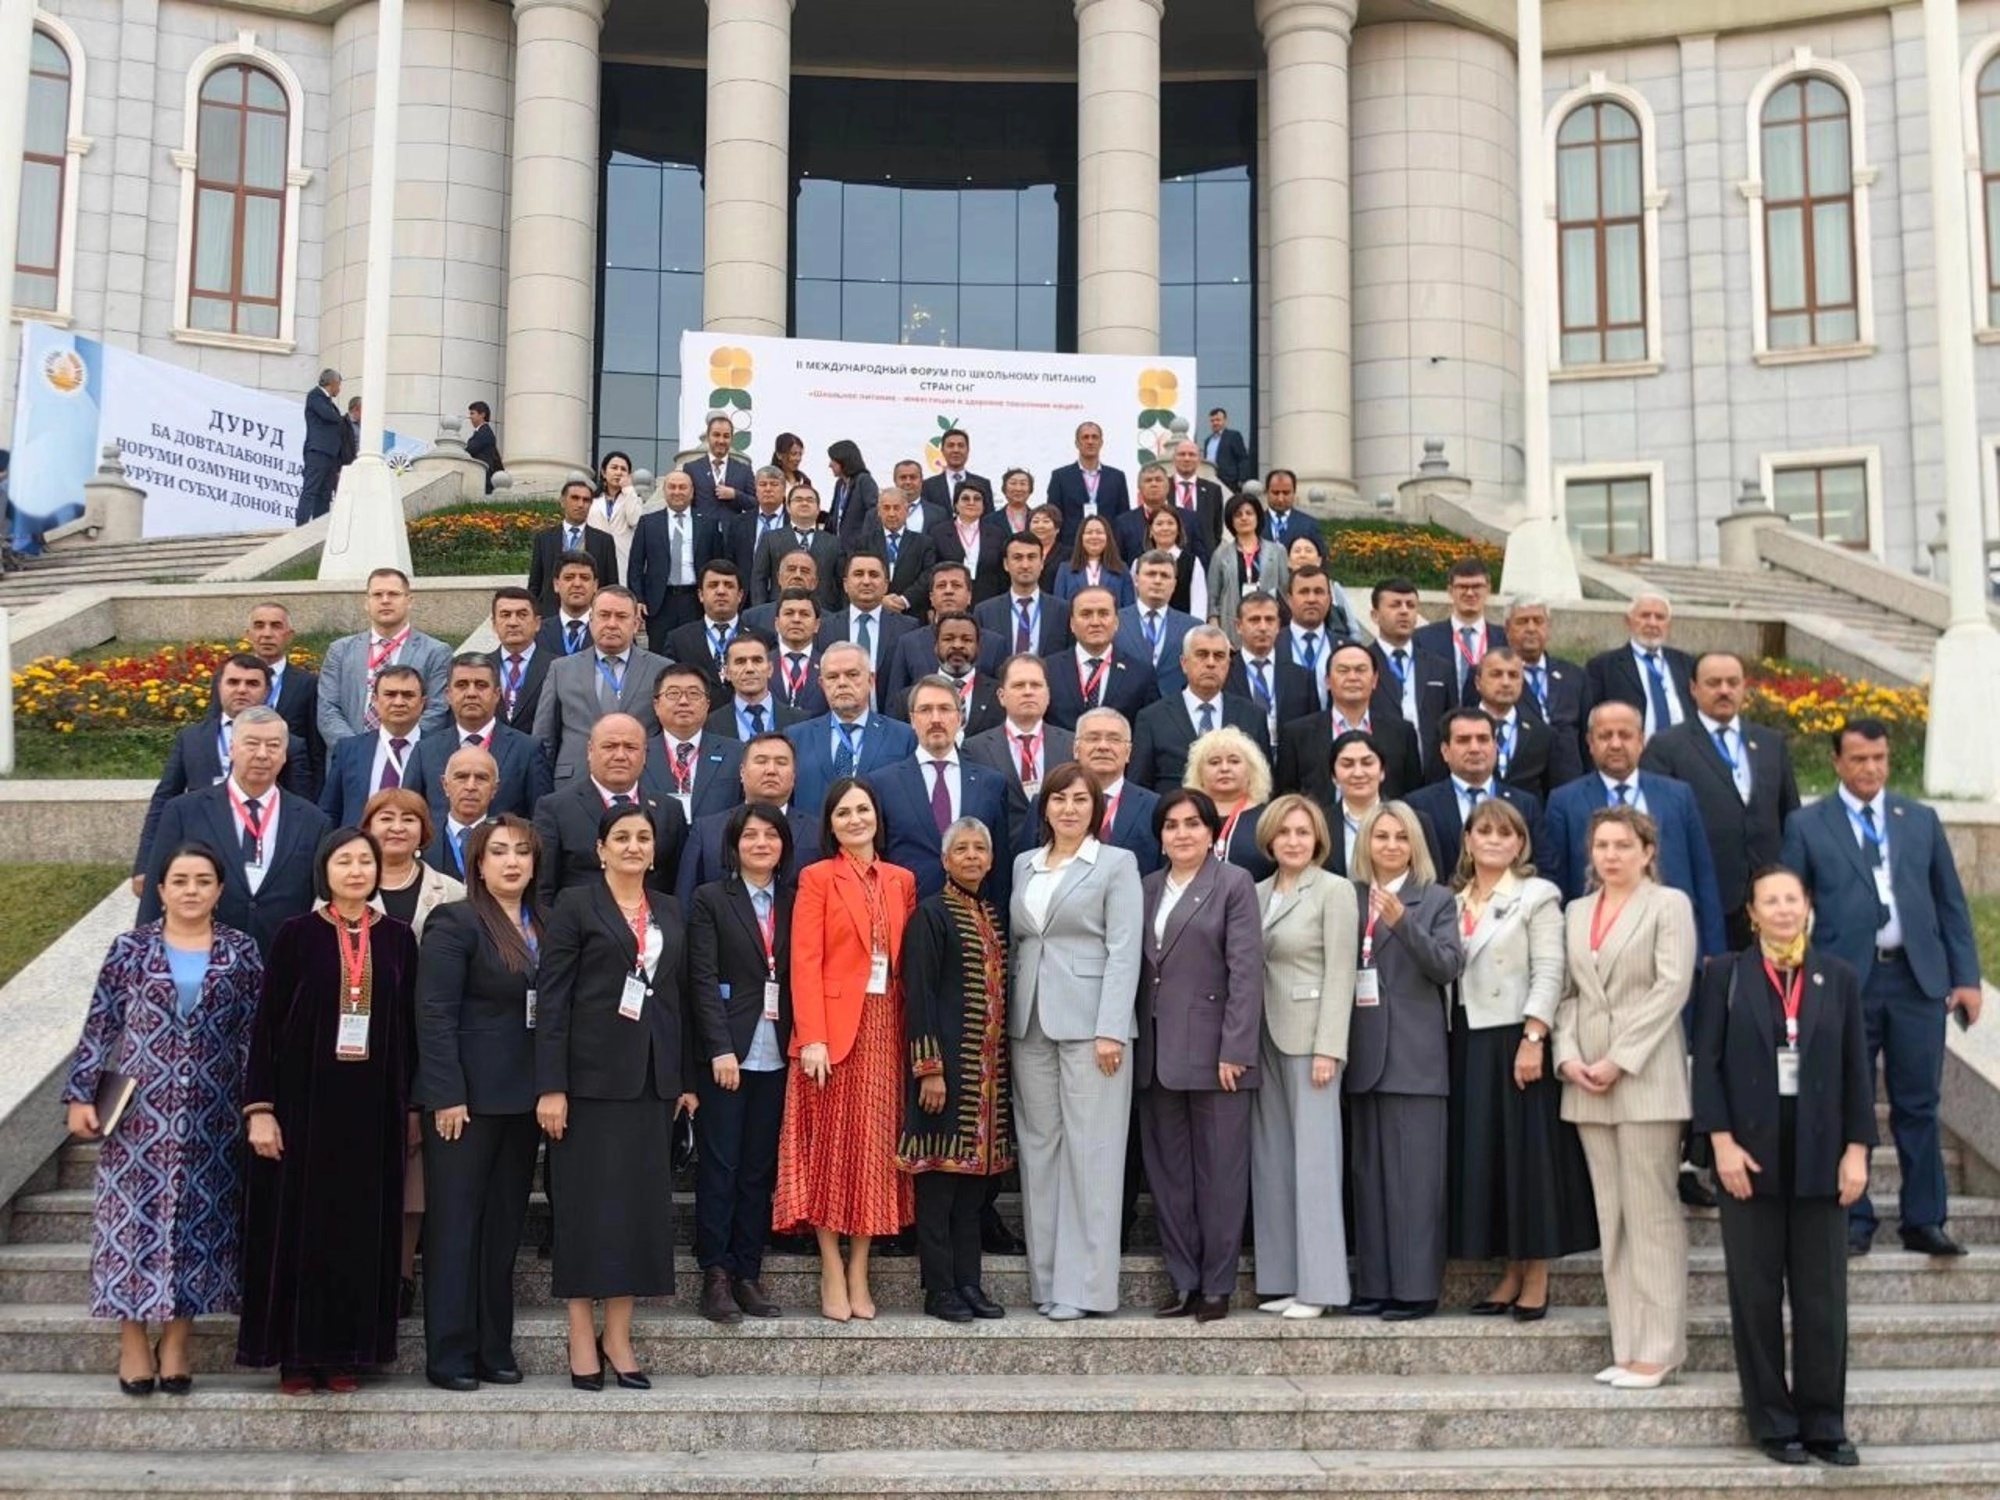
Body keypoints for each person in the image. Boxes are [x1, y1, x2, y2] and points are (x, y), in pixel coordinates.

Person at [63, 843, 264, 1396]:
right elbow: (100, 1025)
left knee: (201, 1224)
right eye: (180, 880)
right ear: (161, 890)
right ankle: (132, 1339)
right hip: (139, 1114)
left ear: (220, 891)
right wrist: (80, 1096)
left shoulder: (241, 951)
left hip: (213, 1115)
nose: (191, 890)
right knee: (131, 1224)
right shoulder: (130, 948)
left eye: (203, 880)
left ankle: (177, 1339)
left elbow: (256, 1033)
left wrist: (259, 1105)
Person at [1780, 717, 1982, 1258]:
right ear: (1837, 763)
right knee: (1848, 1098)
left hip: (1916, 981)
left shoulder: (1919, 820)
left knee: (1920, 1101)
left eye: (1879, 759)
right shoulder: (1808, 825)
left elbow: (1951, 904)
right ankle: (1854, 1217)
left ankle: (1925, 1219)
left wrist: (1965, 978)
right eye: (1859, 759)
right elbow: (1788, 904)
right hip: (1844, 982)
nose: (1871, 769)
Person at [1693, 866, 1873, 1467]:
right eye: (1769, 901)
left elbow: (1856, 1071)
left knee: (1823, 1298)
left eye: (1791, 899)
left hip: (1823, 1158)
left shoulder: (1838, 977)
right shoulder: (1725, 975)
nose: (1782, 909)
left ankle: (1824, 1423)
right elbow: (1707, 1066)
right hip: (1748, 1157)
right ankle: (1773, 1422)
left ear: (1808, 906)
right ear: (1751, 913)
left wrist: (1857, 1150)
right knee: (1756, 1294)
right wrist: (1720, 1144)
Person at [237, 828, 421, 1393]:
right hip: (303, 1108)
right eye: (344, 861)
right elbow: (267, 1027)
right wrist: (261, 1109)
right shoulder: (295, 935)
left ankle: (347, 1353)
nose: (356, 870)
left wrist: (413, 1106)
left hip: (373, 1111)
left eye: (365, 861)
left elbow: (411, 1030)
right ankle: (296, 1355)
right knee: (301, 1229)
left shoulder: (398, 938)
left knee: (359, 1231)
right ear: (325, 870)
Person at [535, 803, 693, 1390]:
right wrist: (551, 1085)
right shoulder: (575, 906)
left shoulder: (669, 909)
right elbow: (553, 999)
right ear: (600, 850)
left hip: (651, 1084)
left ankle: (619, 1335)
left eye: (643, 837)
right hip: (587, 1085)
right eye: (621, 837)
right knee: (585, 1208)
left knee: (638, 1212)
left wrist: (684, 1080)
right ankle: (581, 1330)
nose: (633, 846)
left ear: (654, 850)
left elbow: (677, 998)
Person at [1553, 806, 1697, 1389]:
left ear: (1647, 852)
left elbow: (1672, 987)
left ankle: (1660, 1350)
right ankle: (1628, 1344)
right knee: (1611, 1218)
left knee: (1651, 1216)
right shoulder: (1576, 911)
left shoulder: (1668, 905)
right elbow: (1566, 993)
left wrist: (1620, 1058)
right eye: (1602, 845)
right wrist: (1567, 1056)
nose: (1611, 855)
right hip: (1586, 1080)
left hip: (1644, 1078)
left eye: (1622, 845)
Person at [774, 777, 919, 1321]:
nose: (855, 819)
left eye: (863, 810)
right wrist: (811, 1035)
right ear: (830, 825)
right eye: (844, 813)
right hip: (832, 1035)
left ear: (877, 816)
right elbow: (804, 960)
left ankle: (860, 1266)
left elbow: (904, 964)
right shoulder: (818, 877)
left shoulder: (902, 880)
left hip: (886, 1030)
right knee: (832, 1151)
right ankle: (831, 1265)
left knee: (874, 1154)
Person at [1447, 799, 1596, 1321]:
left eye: (1505, 833)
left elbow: (1551, 969)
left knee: (1526, 1160)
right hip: (1466, 1039)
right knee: (1492, 1158)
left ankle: (1536, 1275)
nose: (1493, 840)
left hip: (1516, 1037)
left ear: (1520, 844)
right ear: (1468, 840)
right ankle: (1510, 1271)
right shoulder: (1452, 900)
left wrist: (1535, 1035)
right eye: (1484, 831)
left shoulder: (1538, 895)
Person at [1009, 764, 1144, 1319]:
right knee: (1040, 1151)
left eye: (1080, 800)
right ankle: (1048, 1282)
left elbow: (1125, 949)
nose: (1069, 808)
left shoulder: (1116, 864)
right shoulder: (1024, 864)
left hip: (1093, 1028)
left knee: (1092, 1153)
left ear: (1096, 808)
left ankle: (1085, 1289)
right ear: (1045, 806)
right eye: (1059, 798)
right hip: (1030, 1023)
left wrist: (1112, 1027)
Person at [415, 817, 543, 1391]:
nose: (512, 861)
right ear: (479, 864)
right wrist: (446, 1093)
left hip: (523, 1100)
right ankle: (450, 1354)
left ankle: (494, 1347)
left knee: (502, 1229)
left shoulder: (546, 923)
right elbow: (434, 1013)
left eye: (522, 852)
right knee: (456, 1227)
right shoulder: (456, 920)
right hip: (464, 1103)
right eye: (499, 852)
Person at [1137, 788, 1264, 1322]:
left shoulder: (1234, 884)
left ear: (1211, 832)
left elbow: (1246, 972)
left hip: (1217, 1057)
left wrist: (1236, 1048)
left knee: (1221, 1177)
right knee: (1169, 1178)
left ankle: (1216, 1285)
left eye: (1192, 823)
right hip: (1156, 1054)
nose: (1182, 833)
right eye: (1171, 825)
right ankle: (1184, 1281)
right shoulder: (1146, 887)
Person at [1343, 802, 1465, 1321]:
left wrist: (1403, 923)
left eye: (1400, 837)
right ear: (1366, 843)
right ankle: (1375, 1284)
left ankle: (1416, 1289)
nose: (1390, 846)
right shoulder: (1348, 896)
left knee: (1414, 1182)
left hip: (1415, 1061)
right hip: (1362, 1056)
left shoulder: (1435, 900)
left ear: (1414, 845)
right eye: (1381, 836)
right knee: (1369, 1180)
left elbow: (1447, 965)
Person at [896, 817, 1014, 1323]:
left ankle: (969, 1282)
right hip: (944, 1078)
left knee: (971, 1195)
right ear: (945, 861)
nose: (971, 856)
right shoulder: (931, 914)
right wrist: (929, 1069)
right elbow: (919, 996)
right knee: (938, 1189)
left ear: (990, 859)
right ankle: (939, 1288)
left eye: (979, 848)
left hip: (986, 1083)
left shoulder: (992, 915)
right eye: (961, 849)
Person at [1249, 796, 1357, 1319]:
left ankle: (1320, 1288)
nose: (1293, 841)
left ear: (1318, 840)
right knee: (1272, 1160)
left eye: (1303, 832)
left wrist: (1329, 1048)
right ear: (1269, 838)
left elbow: (1341, 972)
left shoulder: (1334, 890)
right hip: (1263, 1038)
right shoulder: (1255, 892)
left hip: (1311, 1039)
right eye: (1285, 832)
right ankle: (1284, 1280)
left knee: (1315, 1163)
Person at [688, 803, 796, 1323]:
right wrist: (718, 1047)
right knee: (721, 1166)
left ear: (783, 845)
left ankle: (748, 1272)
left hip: (778, 1052)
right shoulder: (711, 898)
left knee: (758, 1169)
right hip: (728, 1054)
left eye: (770, 835)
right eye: (750, 835)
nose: (760, 844)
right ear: (734, 845)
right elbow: (702, 979)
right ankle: (716, 1274)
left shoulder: (797, 900)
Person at [1540, 702, 1727, 963]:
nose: (1616, 744)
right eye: (1605, 736)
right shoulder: (1564, 802)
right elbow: (1556, 883)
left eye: (1625, 735)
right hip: (1598, 952)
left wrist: (1713, 952)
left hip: (1674, 943)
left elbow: (1703, 874)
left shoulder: (1678, 795)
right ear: (1590, 743)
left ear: (1641, 740)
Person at [137, 708, 332, 957]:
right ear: (232, 748)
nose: (262, 754)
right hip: (203, 958)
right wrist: (144, 956)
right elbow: (155, 892)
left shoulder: (313, 821)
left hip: (282, 960)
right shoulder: (184, 811)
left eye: (273, 746)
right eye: (252, 744)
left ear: (284, 755)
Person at [1642, 652, 1801, 950]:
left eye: (1732, 682)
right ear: (1693, 688)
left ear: (1744, 687)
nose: (1724, 690)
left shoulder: (1770, 742)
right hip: (1708, 898)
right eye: (1714, 683)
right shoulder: (1667, 746)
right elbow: (1659, 827)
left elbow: (1790, 816)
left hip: (1768, 898)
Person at [134, 654, 314, 890]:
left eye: (252, 683)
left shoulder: (290, 744)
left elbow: (301, 808)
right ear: (219, 686)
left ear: (267, 692)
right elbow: (164, 798)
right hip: (199, 853)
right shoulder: (191, 739)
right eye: (233, 682)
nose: (242, 690)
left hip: (261, 854)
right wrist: (144, 865)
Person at [531, 714, 690, 905]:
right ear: (590, 751)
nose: (620, 756)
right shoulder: (555, 809)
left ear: (645, 755)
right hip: (580, 921)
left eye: (630, 747)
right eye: (609, 746)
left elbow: (679, 884)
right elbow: (543, 889)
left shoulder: (669, 810)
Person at [532, 588, 670, 785]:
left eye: (621, 616)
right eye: (604, 615)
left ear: (636, 624)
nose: (611, 624)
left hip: (642, 781)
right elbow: (544, 739)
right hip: (574, 782)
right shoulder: (561, 669)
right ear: (591, 620)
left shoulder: (661, 669)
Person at [1274, 643, 1425, 807]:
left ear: (1375, 680)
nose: (1352, 677)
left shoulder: (1401, 733)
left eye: (1360, 670)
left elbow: (1412, 796)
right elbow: (1285, 799)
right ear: (1328, 681)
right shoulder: (1297, 734)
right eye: (1343, 670)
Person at [1403, 707, 1547, 878]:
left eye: (1483, 739)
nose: (1474, 748)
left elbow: (1543, 866)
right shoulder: (1419, 804)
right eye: (1463, 740)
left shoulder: (1525, 804)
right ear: (1445, 751)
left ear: (1495, 747)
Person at [406, 654, 550, 823]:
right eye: (462, 685)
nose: (471, 693)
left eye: (481, 685)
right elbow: (409, 813)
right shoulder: (425, 750)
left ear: (497, 694)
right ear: (448, 695)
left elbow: (541, 819)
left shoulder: (527, 749)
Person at [783, 642, 919, 817]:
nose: (842, 683)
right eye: (832, 677)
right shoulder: (796, 737)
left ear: (871, 680)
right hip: (813, 833)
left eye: (852, 675)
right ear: (822, 684)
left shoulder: (904, 736)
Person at [317, 569, 453, 743]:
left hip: (410, 753)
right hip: (348, 753)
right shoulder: (340, 650)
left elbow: (437, 710)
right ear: (367, 602)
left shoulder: (436, 652)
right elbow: (328, 709)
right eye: (377, 595)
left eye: (393, 594)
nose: (385, 600)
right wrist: (355, 748)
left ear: (409, 601)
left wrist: (397, 746)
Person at [1130, 625, 1271, 794]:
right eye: (1202, 654)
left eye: (1219, 656)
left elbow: (1264, 783)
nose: (1210, 663)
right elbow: (1138, 789)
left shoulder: (1252, 716)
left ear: (1228, 665)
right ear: (1184, 663)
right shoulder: (1153, 718)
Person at [629, 472, 731, 648]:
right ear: (664, 491)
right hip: (659, 603)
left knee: (694, 652)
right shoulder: (648, 523)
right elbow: (635, 565)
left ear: (692, 492)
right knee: (659, 654)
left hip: (696, 601)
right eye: (672, 487)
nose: (677, 492)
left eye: (682, 487)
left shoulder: (709, 524)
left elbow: (718, 565)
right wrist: (638, 598)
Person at [319, 665, 430, 827]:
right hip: (358, 841)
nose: (398, 702)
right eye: (390, 694)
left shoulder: (439, 751)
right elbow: (330, 811)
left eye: (408, 695)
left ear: (422, 702)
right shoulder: (349, 749)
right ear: (375, 700)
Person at [1584, 593, 1696, 741]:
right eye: (1645, 616)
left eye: (1660, 617)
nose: (1652, 623)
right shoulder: (1603, 667)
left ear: (1669, 625)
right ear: (1628, 621)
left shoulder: (1686, 663)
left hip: (1683, 750)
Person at [1043, 586, 1158, 729]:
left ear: (1116, 622)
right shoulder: (1048, 670)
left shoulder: (1141, 673)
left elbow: (1150, 728)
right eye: (1086, 614)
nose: (1095, 622)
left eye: (1103, 614)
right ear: (1072, 624)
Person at [1076, 707, 1162, 876]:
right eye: (1093, 738)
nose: (1103, 746)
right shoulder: (1049, 801)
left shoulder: (1153, 806)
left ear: (1128, 752)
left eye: (1114, 739)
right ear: (1076, 749)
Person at [1185, 725, 1275, 880]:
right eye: (1214, 762)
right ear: (1199, 773)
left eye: (1234, 761)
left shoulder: (1270, 818)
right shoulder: (1185, 816)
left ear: (1252, 770)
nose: (1224, 768)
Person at [1207, 493, 1288, 643]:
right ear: (1231, 521)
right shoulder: (1220, 554)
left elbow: (1285, 592)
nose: (1244, 518)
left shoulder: (1277, 551)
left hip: (1268, 626)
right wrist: (1217, 631)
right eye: (1238, 515)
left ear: (1258, 517)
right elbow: (1213, 598)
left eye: (1249, 513)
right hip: (1231, 629)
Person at [529, 480, 618, 611]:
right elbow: (535, 583)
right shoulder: (544, 539)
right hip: (550, 614)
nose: (581, 504)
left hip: (592, 615)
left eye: (586, 500)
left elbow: (611, 586)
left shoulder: (604, 541)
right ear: (562, 501)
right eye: (575, 498)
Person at [1413, 556, 1495, 697]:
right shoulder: (1423, 638)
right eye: (1462, 586)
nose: (1470, 593)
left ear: (1488, 590)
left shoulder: (1505, 638)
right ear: (1450, 591)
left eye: (1477, 586)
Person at [1046, 422, 1131, 544]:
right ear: (1077, 443)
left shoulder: (1117, 477)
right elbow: (1054, 516)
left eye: (1095, 437)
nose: (1090, 441)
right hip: (1070, 546)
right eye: (1085, 437)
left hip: (1108, 545)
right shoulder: (1060, 476)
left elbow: (1123, 516)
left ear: (1101, 442)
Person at [1053, 515, 1135, 608]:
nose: (1094, 536)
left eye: (1099, 532)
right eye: (1089, 532)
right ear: (1081, 537)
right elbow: (1059, 607)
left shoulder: (1121, 568)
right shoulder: (1065, 570)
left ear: (1107, 537)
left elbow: (1129, 607)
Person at [296, 368, 345, 526]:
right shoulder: (315, 395)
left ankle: (318, 528)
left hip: (330, 455)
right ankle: (301, 527)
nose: (339, 389)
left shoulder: (328, 402)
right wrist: (341, 419)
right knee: (310, 490)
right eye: (339, 385)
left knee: (324, 495)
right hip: (317, 452)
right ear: (332, 383)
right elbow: (329, 416)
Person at [587, 451, 644, 582]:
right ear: (603, 472)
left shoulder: (633, 499)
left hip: (622, 561)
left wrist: (628, 489)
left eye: (623, 469)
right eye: (614, 468)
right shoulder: (592, 501)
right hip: (594, 557)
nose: (618, 472)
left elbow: (634, 520)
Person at [685, 412, 756, 516]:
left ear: (731, 439)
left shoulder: (744, 470)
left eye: (726, 436)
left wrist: (735, 495)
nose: (721, 441)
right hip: (701, 526)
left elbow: (755, 503)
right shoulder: (692, 468)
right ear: (708, 437)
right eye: (716, 435)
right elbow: (685, 502)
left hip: (734, 526)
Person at [920, 428, 992, 518]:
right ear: (942, 450)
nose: (956, 450)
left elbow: (989, 519)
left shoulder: (983, 484)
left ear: (968, 450)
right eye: (950, 446)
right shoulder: (928, 486)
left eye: (961, 446)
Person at [826, 438, 880, 547]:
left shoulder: (864, 480)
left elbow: (874, 512)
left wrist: (863, 540)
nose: (830, 465)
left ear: (843, 460)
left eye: (833, 460)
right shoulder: (840, 484)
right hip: (839, 548)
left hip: (858, 549)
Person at [1204, 407, 1250, 488]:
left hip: (1229, 482)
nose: (1215, 423)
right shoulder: (1208, 441)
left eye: (1218, 420)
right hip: (1210, 481)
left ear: (1225, 421)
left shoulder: (1233, 436)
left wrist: (1242, 479)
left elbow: (1242, 459)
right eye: (1212, 421)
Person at [464, 400, 501, 491]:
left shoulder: (484, 433)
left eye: (472, 413)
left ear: (482, 415)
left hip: (483, 480)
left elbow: (469, 450)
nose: (470, 417)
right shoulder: (482, 432)